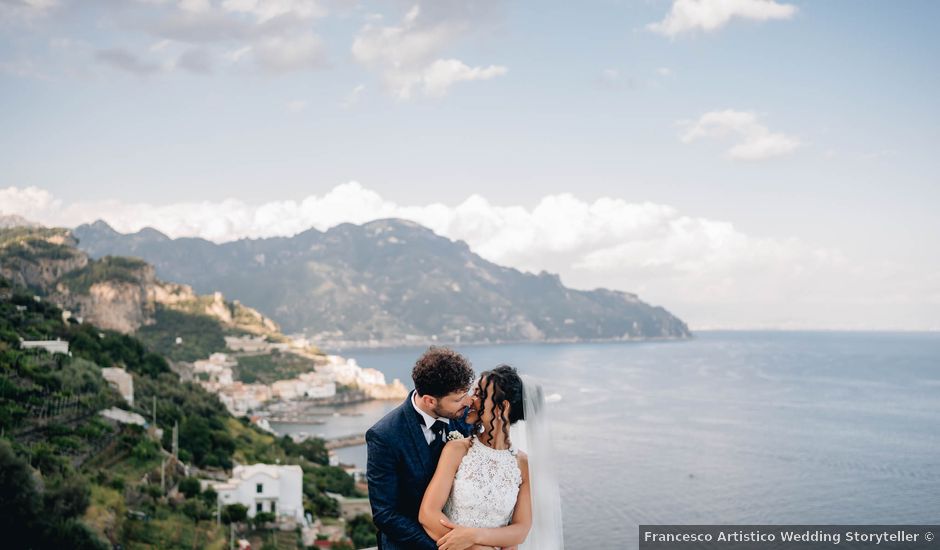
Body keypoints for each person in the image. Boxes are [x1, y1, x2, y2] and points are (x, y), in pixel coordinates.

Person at [419, 365, 564, 550]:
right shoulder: (457, 450)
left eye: (479, 395)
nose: (471, 400)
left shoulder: (524, 465)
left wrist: (473, 536)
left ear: (502, 407)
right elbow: (428, 513)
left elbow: (521, 530)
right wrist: (475, 548)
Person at [366, 347, 479, 550]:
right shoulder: (384, 436)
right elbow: (385, 514)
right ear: (429, 400)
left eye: (466, 394)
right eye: (457, 399)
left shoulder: (465, 418)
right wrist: (443, 546)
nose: (467, 402)